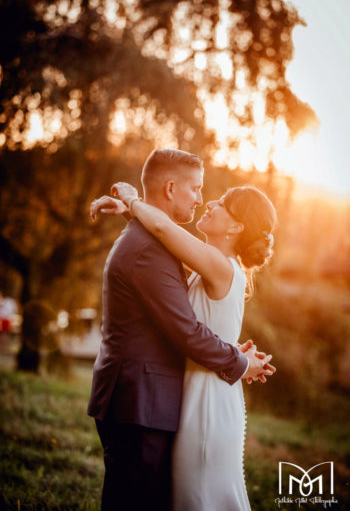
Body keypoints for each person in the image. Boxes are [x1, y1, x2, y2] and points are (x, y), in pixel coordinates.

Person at [88, 149, 275, 511]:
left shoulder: (214, 265)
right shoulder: (166, 253)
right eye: (200, 190)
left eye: (219, 201)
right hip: (157, 399)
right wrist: (238, 358)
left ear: (237, 228)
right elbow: (190, 328)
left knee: (200, 497)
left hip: (203, 398)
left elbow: (162, 228)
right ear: (172, 189)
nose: (205, 201)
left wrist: (132, 202)